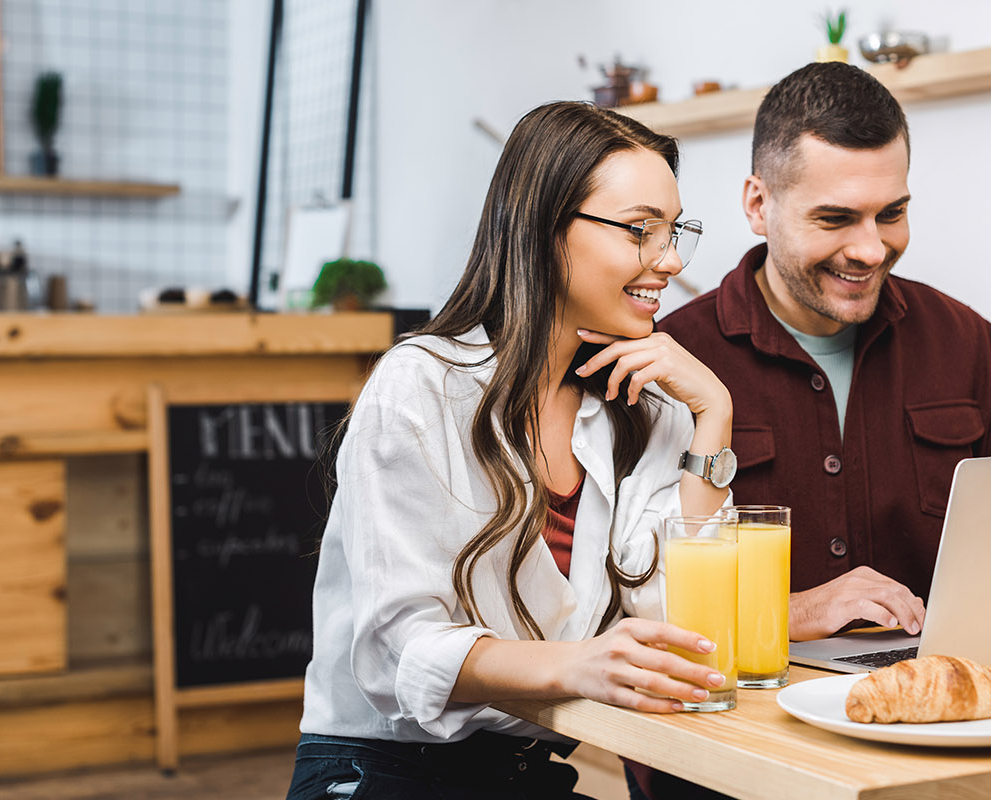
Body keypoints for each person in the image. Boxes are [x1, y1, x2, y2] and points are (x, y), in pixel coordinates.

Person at [285, 101, 738, 800]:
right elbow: (395, 651)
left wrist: (715, 414)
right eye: (641, 231)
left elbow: (677, 621)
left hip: (527, 778)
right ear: (544, 229)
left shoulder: (649, 408)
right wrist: (573, 665)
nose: (671, 261)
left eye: (674, 232)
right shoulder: (422, 385)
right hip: (382, 774)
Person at [628, 62, 991, 800]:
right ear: (758, 203)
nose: (872, 249)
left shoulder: (966, 344)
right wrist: (794, 614)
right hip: (725, 759)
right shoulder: (667, 363)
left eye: (892, 213)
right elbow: (619, 602)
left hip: (937, 752)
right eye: (835, 219)